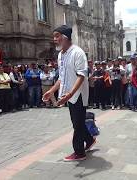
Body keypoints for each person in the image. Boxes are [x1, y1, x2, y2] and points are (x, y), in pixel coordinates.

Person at [43, 25, 95, 161]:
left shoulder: (78, 53)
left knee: (77, 124)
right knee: (77, 122)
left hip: (78, 95)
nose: (54, 39)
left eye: (57, 36)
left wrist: (71, 94)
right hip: (68, 95)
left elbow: (81, 75)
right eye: (54, 36)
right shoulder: (60, 55)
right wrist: (51, 91)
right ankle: (89, 141)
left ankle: (79, 153)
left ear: (65, 37)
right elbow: (62, 77)